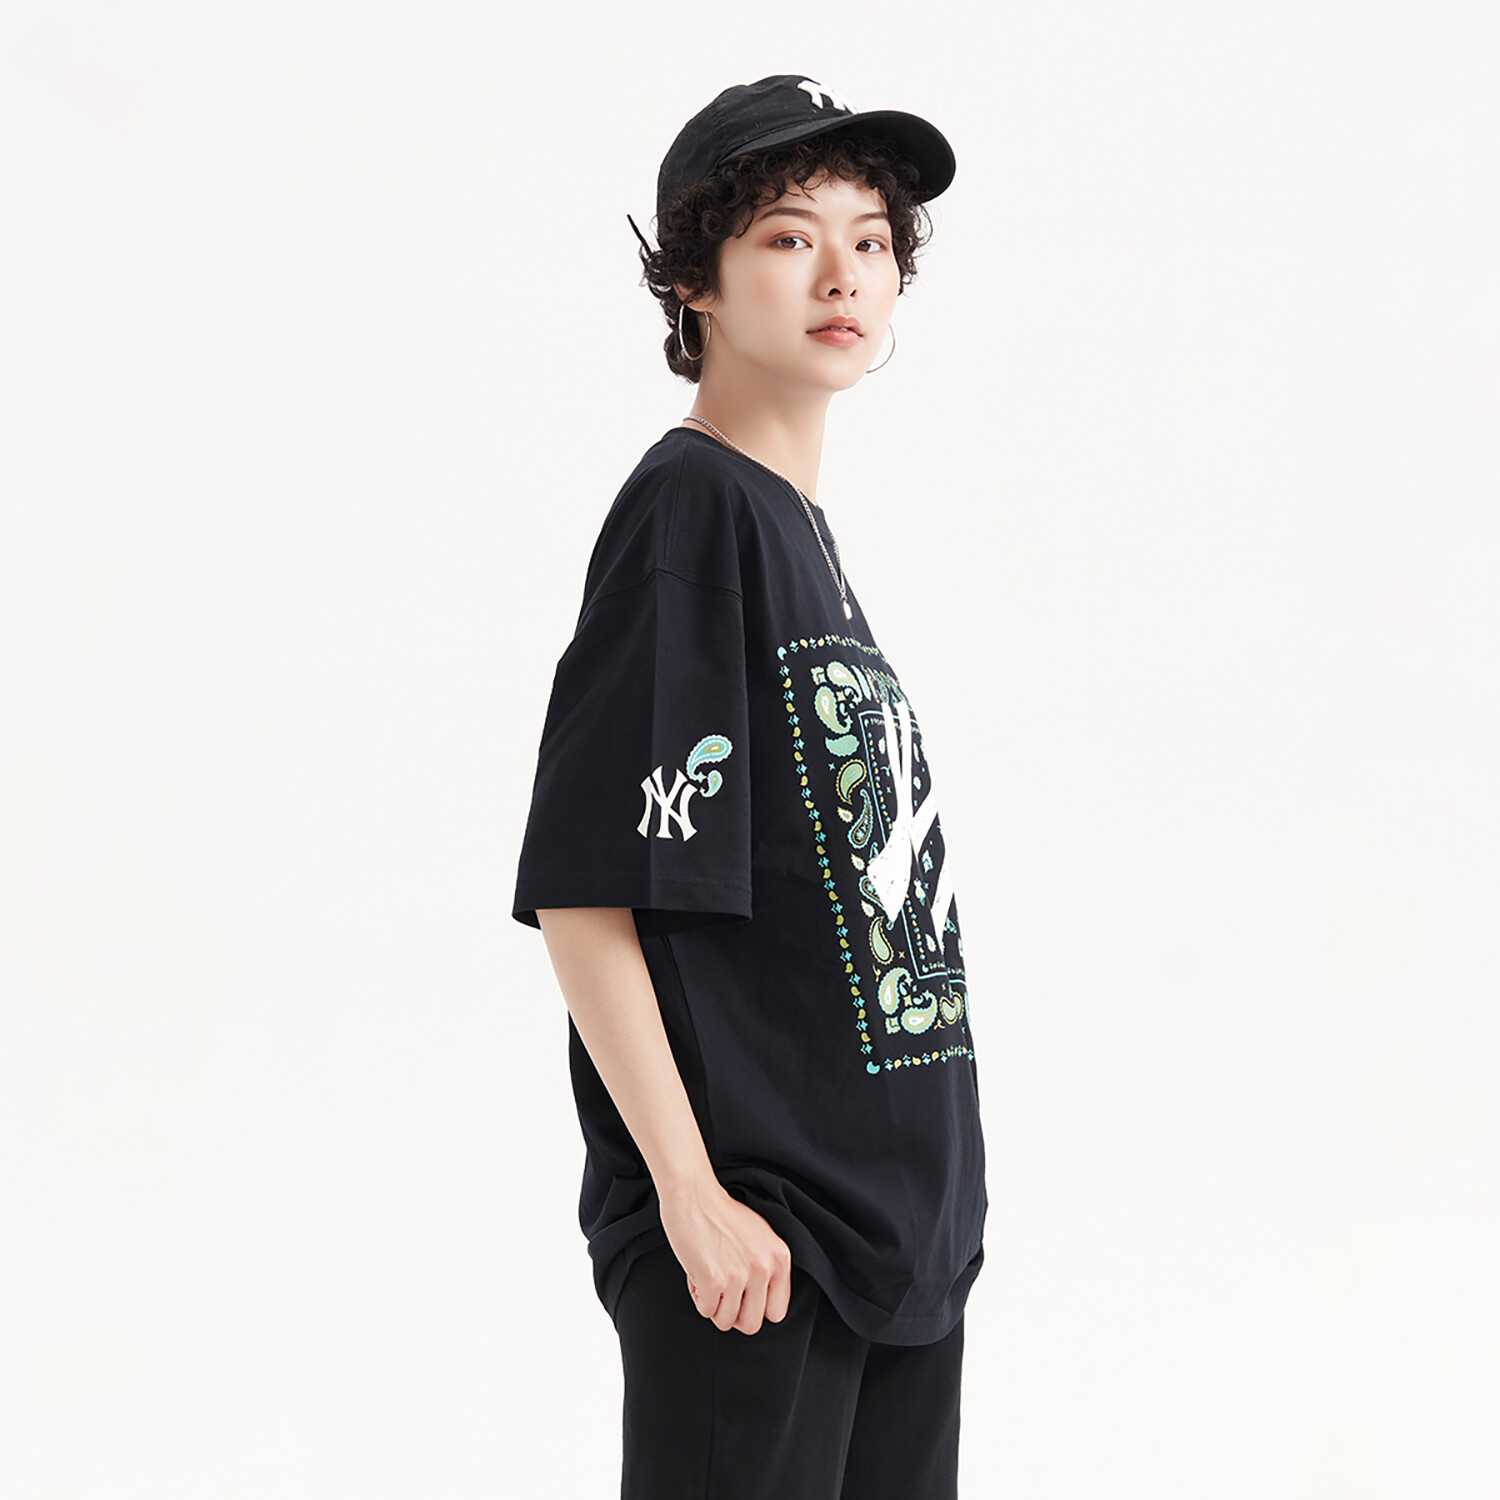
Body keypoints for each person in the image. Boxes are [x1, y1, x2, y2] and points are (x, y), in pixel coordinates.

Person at [512, 73, 988, 1499]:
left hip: (899, 1244)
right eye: (788, 236)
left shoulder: (799, 535)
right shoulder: (694, 510)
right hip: (761, 1250)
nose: (843, 273)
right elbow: (588, 892)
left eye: (871, 240)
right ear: (693, 283)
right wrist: (690, 1195)